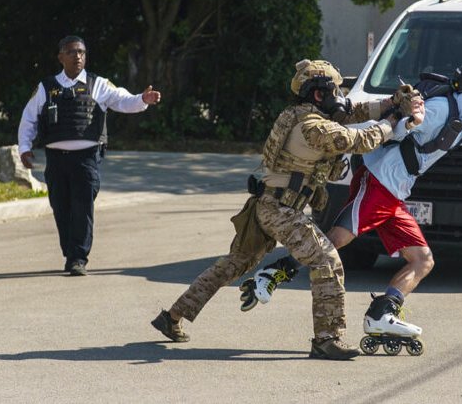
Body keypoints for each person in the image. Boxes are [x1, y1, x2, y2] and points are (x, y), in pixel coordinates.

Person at [240, 64, 462, 342]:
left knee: (422, 260)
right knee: (335, 241)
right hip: (378, 181)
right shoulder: (437, 110)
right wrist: (404, 122)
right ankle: (273, 274)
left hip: (395, 193)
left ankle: (383, 313)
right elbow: (393, 130)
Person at [151, 59, 419, 360]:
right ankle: (327, 339)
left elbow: (352, 112)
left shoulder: (300, 114)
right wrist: (393, 121)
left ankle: (171, 317)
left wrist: (391, 102)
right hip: (281, 210)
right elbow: (361, 139)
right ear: (318, 94)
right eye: (335, 90)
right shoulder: (313, 127)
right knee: (327, 261)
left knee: (232, 265)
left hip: (269, 206)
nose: (340, 96)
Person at [17, 35, 161, 276]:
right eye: (72, 52)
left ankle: (78, 258)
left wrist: (142, 100)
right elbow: (28, 119)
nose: (78, 56)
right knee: (61, 208)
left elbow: (122, 100)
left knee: (82, 208)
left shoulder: (98, 84)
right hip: (56, 159)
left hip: (86, 159)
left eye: (81, 52)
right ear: (61, 57)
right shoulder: (46, 87)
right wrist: (24, 148)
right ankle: (70, 253)